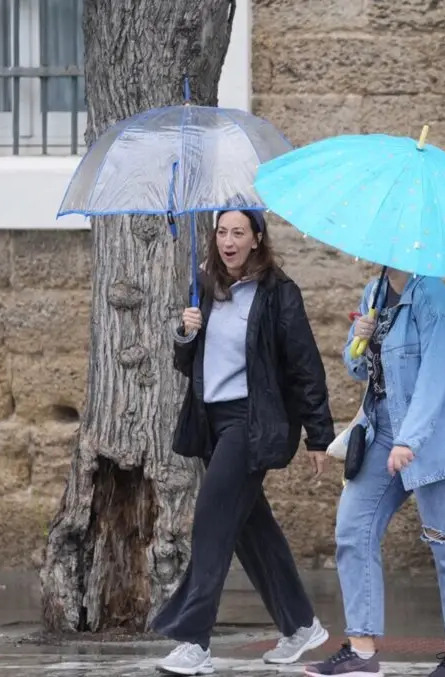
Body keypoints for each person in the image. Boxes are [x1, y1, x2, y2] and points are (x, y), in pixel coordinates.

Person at [153, 210, 336, 675]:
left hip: (250, 423)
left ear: (257, 239)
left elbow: (304, 367)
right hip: (211, 422)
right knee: (253, 531)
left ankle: (195, 641)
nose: (228, 241)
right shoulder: (204, 287)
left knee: (212, 521)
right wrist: (185, 333)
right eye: (221, 232)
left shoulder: (278, 293)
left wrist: (320, 436)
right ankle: (300, 624)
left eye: (238, 233)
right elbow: (187, 363)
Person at [306, 268, 445, 677]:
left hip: (436, 432)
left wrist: (410, 440)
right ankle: (361, 651)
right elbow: (358, 368)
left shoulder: (433, 296)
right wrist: (360, 337)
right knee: (353, 529)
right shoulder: (373, 292)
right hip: (383, 428)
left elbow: (437, 375)